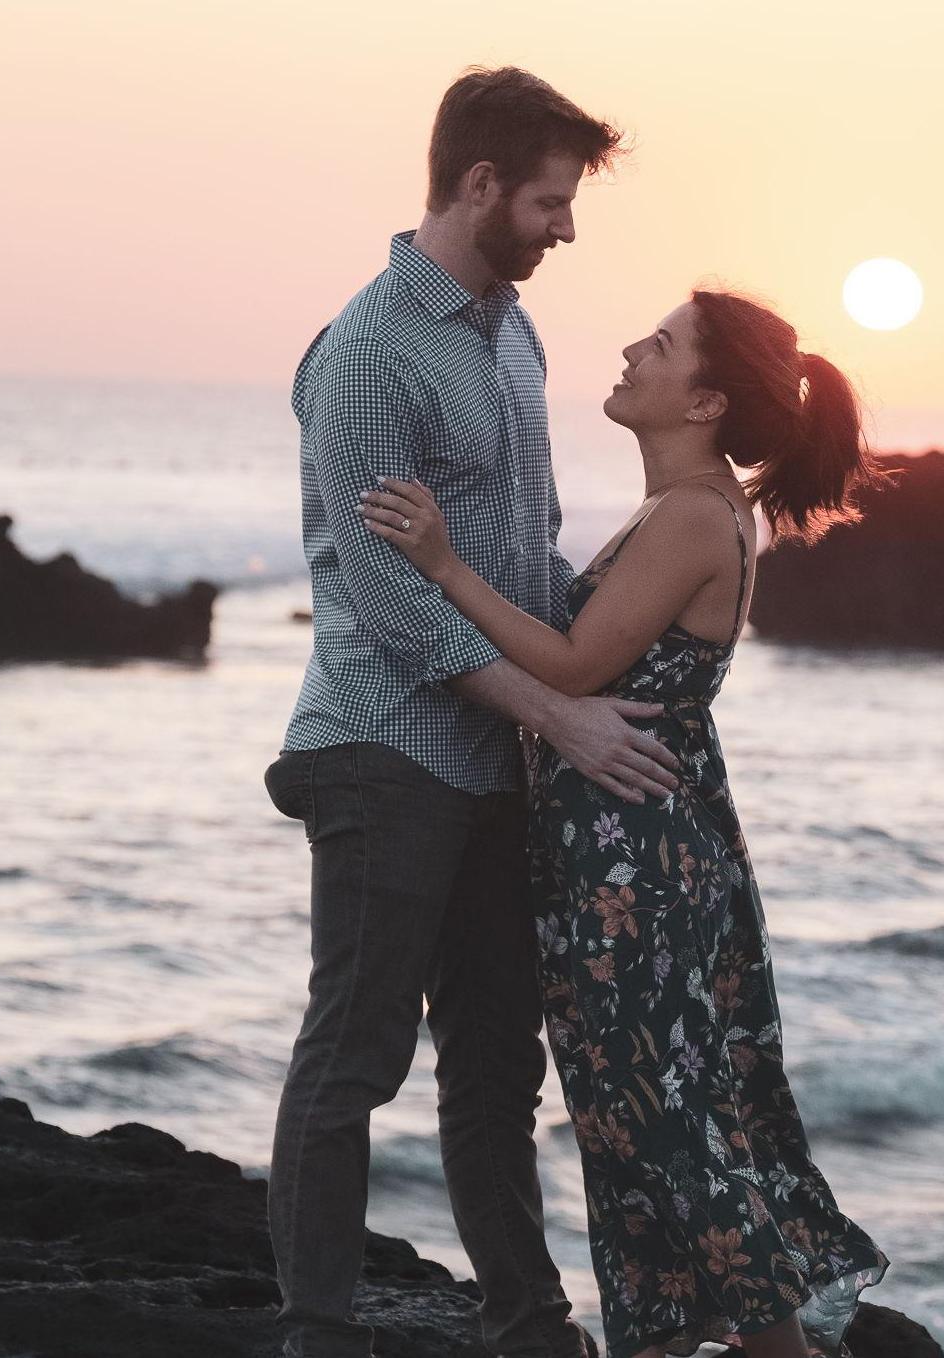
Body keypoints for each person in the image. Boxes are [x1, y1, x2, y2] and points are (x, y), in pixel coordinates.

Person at [360, 289, 894, 1358]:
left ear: (703, 401)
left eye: (660, 343)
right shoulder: (680, 509)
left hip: (635, 864)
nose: (629, 349)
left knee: (659, 1115)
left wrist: (443, 564)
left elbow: (571, 667)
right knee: (628, 1113)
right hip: (626, 851)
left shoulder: (695, 514)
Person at [263, 66, 683, 1358]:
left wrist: (641, 641)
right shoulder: (369, 350)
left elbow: (518, 556)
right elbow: (392, 601)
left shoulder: (513, 332)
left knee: (500, 1063)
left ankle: (530, 1326)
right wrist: (559, 716)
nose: (568, 228)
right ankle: (316, 1331)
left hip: (498, 758)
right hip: (381, 747)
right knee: (355, 1051)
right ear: (481, 183)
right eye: (551, 202)